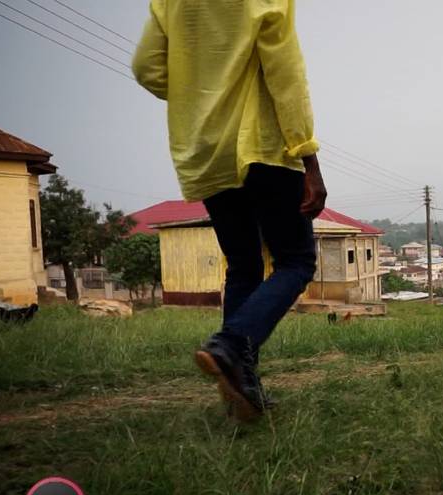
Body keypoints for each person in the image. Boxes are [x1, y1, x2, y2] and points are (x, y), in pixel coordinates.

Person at [132, 0, 327, 422]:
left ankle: (241, 384)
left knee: (243, 265)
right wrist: (309, 159)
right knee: (295, 261)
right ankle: (231, 345)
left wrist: (204, 93)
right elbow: (286, 75)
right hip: (261, 145)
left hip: (207, 150)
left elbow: (148, 68)